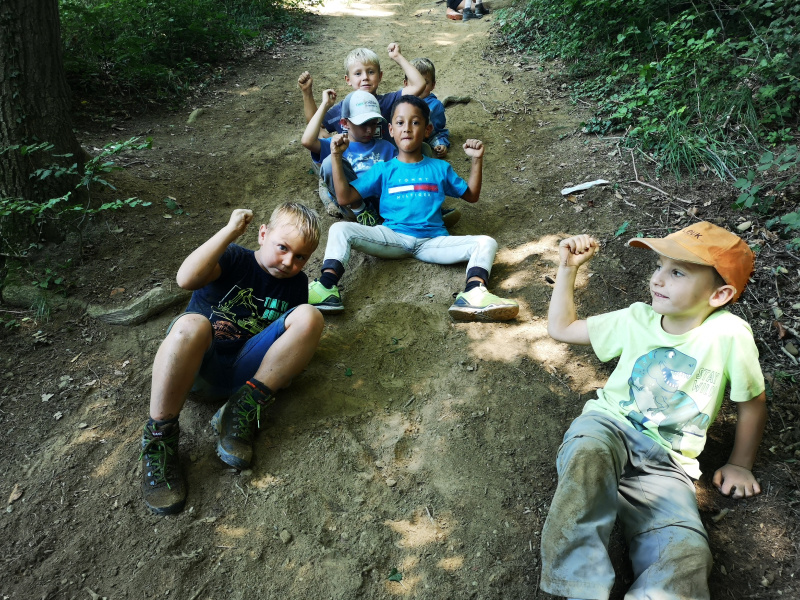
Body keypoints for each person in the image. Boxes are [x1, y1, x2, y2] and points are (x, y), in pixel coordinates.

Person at [541, 222, 767, 599]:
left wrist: (740, 464)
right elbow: (562, 328)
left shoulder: (730, 335)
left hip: (668, 465)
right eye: (659, 266)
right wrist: (568, 268)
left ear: (720, 294)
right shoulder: (637, 319)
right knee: (587, 453)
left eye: (677, 272)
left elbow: (752, 403)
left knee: (687, 552)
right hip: (608, 427)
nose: (658, 279)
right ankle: (580, 588)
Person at [139, 203, 324, 515]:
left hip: (245, 377)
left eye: (301, 257)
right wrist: (229, 232)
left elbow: (288, 340)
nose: (289, 262)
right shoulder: (235, 257)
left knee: (310, 316)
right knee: (191, 324)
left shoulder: (297, 284)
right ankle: (159, 436)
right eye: (283, 247)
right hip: (197, 369)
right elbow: (185, 279)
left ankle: (240, 409)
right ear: (263, 234)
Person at [307, 95, 519, 322]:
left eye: (415, 122)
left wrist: (477, 160)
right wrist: (336, 156)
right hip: (392, 237)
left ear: (428, 130)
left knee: (486, 242)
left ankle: (474, 292)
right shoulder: (384, 169)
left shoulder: (440, 167)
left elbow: (472, 196)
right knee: (340, 229)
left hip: (432, 242)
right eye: (400, 122)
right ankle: (327, 286)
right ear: (391, 130)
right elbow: (344, 197)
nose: (407, 128)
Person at [297, 44, 426, 144]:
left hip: (385, 162)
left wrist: (397, 57)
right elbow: (315, 123)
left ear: (380, 76)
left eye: (371, 72)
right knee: (321, 137)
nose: (365, 77)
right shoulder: (343, 108)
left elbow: (419, 85)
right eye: (358, 73)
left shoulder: (388, 102)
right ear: (348, 80)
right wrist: (307, 93)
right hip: (353, 165)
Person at [302, 89, 396, 225]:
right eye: (363, 124)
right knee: (329, 162)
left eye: (373, 123)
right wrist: (324, 105)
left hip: (381, 202)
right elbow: (307, 141)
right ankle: (363, 213)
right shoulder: (337, 144)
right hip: (351, 204)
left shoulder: (387, 147)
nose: (369, 130)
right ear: (345, 123)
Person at [403, 58, 450, 158]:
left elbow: (438, 132)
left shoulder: (435, 106)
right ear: (406, 84)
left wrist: (440, 144)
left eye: (425, 83)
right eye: (413, 82)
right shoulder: (399, 102)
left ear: (433, 85)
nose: (419, 87)